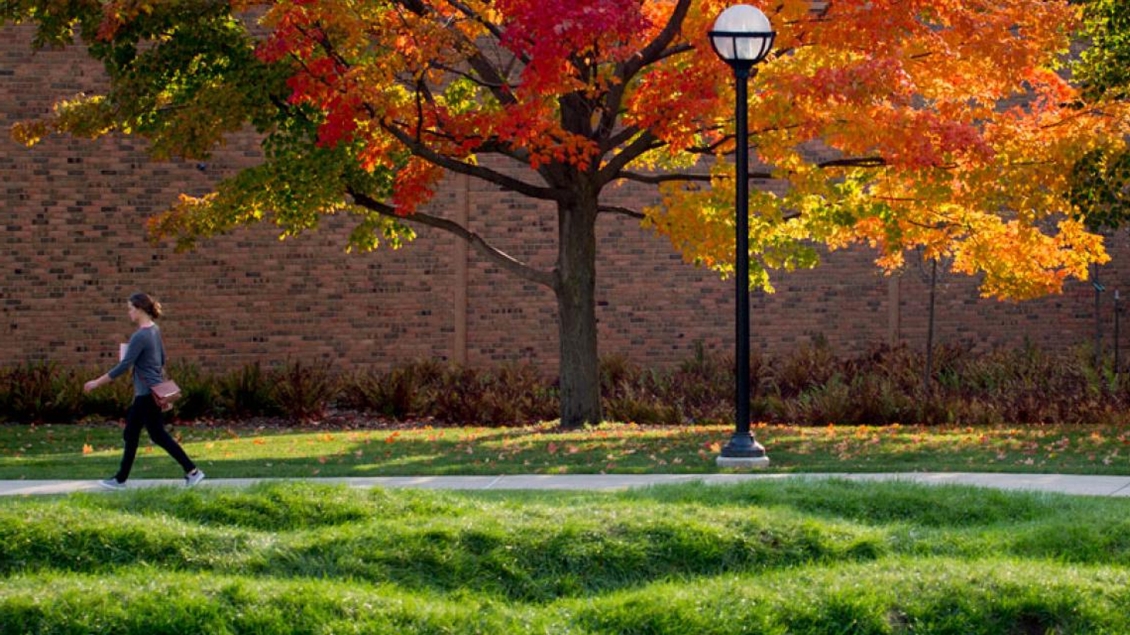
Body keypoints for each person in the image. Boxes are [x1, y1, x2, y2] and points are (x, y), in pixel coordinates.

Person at [83, 292, 205, 490]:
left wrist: (97, 382)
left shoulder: (140, 336)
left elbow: (124, 366)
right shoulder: (154, 331)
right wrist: (163, 392)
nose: (129, 313)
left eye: (131, 309)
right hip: (152, 392)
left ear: (140, 309)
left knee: (143, 435)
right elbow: (161, 359)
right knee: (144, 434)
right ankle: (190, 471)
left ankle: (122, 480)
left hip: (147, 395)